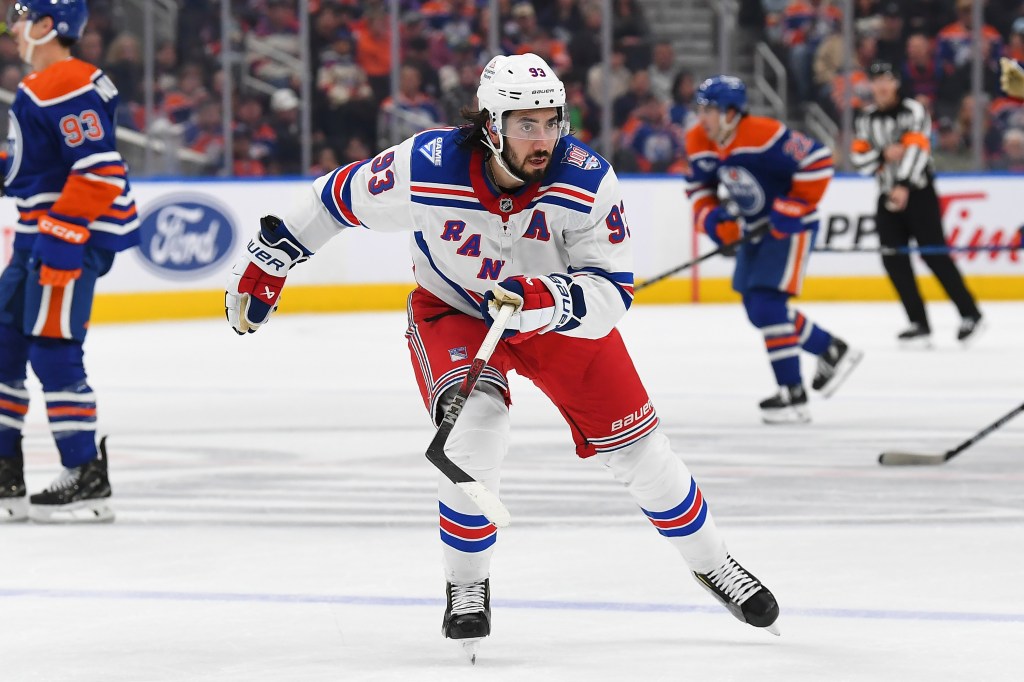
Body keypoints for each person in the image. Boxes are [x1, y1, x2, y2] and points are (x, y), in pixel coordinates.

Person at [225, 53, 781, 658]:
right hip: (456, 312)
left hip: (557, 319)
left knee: (643, 454)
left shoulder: (587, 181)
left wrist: (547, 297)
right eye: (526, 125)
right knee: (475, 434)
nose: (543, 139)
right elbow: (335, 198)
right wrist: (272, 255)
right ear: (491, 125)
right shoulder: (426, 165)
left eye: (551, 122)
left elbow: (612, 293)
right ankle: (467, 586)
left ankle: (714, 564)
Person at [0, 0, 138, 523]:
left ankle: (85, 473)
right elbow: (48, 164)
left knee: (53, 350)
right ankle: (4, 469)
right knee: (5, 341)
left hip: (64, 239)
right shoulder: (48, 82)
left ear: (45, 25)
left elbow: (99, 170)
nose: (12, 29)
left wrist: (61, 241)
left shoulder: (63, 79)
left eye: (19, 17)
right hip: (41, 233)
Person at [684, 76, 862, 424]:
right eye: (700, 109)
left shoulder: (763, 133)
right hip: (754, 229)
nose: (702, 117)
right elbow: (698, 188)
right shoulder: (698, 140)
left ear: (731, 113)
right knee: (757, 308)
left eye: (710, 110)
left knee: (767, 305)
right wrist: (714, 222)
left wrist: (792, 207)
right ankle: (830, 348)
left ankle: (792, 394)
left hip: (789, 228)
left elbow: (819, 161)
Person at [850, 62, 983, 346]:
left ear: (896, 83)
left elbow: (918, 150)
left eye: (887, 79)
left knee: (934, 254)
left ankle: (970, 314)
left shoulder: (914, 110)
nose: (881, 85)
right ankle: (918, 322)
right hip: (886, 197)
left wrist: (903, 185)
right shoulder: (865, 119)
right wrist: (884, 155)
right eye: (876, 80)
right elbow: (859, 161)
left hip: (919, 193)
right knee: (893, 258)